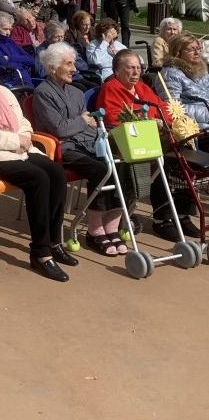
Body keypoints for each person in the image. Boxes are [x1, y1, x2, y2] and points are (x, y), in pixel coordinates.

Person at [0, 38, 75, 281]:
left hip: (20, 150)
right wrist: (14, 141)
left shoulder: (1, 90)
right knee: (38, 178)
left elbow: (23, 121)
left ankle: (53, 242)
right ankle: (40, 253)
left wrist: (25, 137)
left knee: (56, 173)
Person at [32, 44, 131, 255]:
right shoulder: (43, 93)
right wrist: (83, 120)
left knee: (121, 164)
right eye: (69, 64)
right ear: (53, 67)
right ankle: (94, 230)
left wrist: (85, 123)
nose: (74, 69)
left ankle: (111, 227)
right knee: (102, 169)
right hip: (62, 148)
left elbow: (89, 124)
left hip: (87, 143)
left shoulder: (76, 92)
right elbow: (59, 129)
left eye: (74, 63)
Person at [97, 49, 196, 241]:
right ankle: (162, 218)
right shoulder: (110, 88)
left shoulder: (142, 88)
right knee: (165, 160)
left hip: (149, 138)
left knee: (182, 154)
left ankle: (182, 214)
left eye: (138, 68)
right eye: (130, 68)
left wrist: (165, 122)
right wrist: (151, 122)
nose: (136, 72)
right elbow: (114, 119)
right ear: (117, 71)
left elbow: (163, 110)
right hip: (124, 142)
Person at [155, 33, 209, 130]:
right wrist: (207, 113)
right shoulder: (170, 74)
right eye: (191, 49)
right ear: (178, 52)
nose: (197, 53)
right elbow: (173, 109)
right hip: (192, 127)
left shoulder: (202, 70)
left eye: (198, 48)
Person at [0, 11, 35, 89]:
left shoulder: (10, 41)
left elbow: (31, 60)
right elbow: (2, 63)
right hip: (9, 85)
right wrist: (22, 62)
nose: (8, 33)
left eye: (10, 30)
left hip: (25, 83)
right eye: (5, 29)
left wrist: (10, 58)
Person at [86, 18, 125, 82]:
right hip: (106, 75)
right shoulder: (93, 44)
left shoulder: (118, 44)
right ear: (102, 34)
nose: (111, 36)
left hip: (121, 72)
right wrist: (105, 42)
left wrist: (120, 54)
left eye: (113, 33)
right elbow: (95, 61)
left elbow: (133, 58)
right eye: (109, 34)